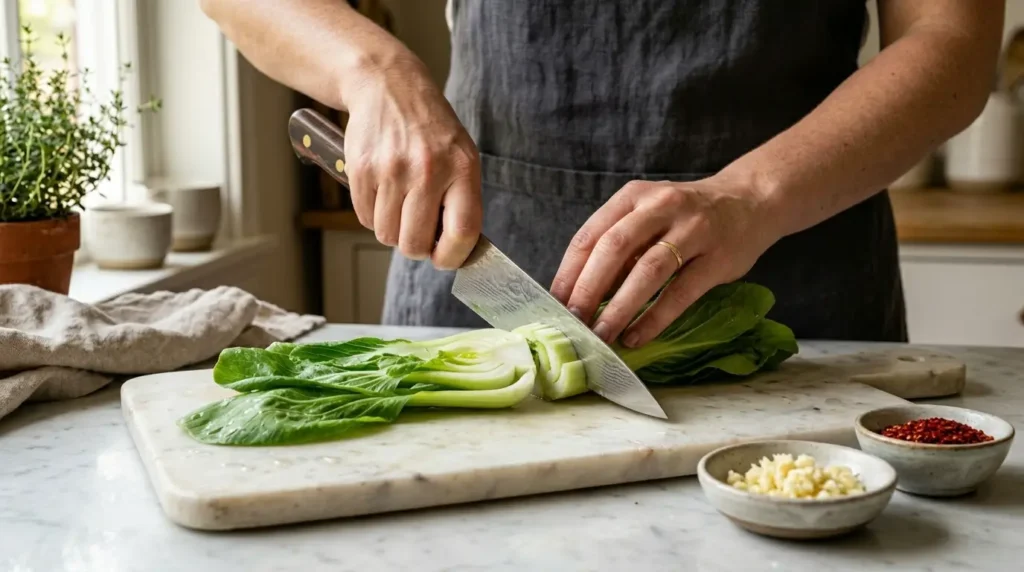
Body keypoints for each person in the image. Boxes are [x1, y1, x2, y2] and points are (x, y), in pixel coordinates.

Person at [201, 0, 1003, 347]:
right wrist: (370, 68)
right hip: (484, 267)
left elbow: (954, 41)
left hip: (799, 286)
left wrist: (751, 195)